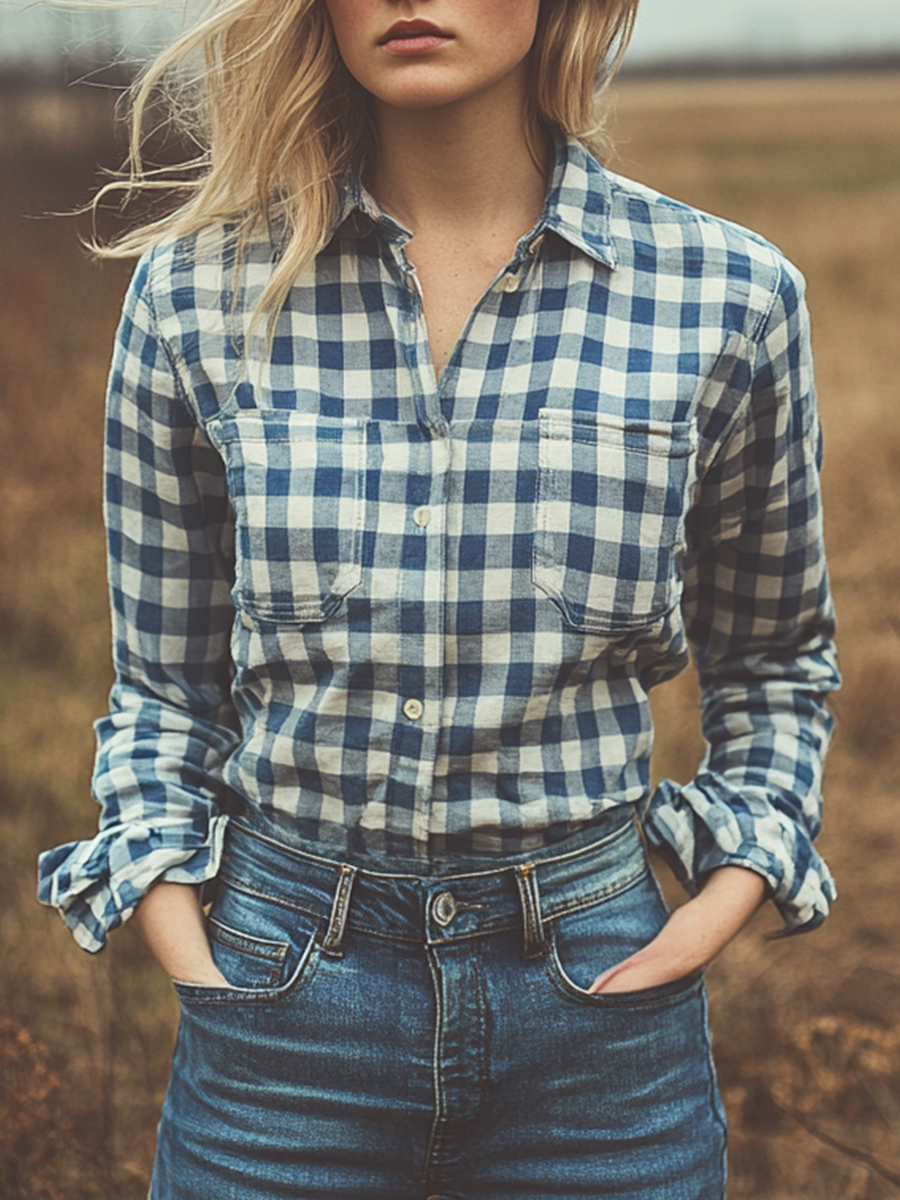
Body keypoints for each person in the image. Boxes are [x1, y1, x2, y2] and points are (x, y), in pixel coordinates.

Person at [38, 1, 840, 1196]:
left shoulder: (726, 296)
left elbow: (776, 664)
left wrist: (716, 901)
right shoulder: (192, 298)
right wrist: (186, 944)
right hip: (279, 1012)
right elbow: (163, 685)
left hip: (602, 1019)